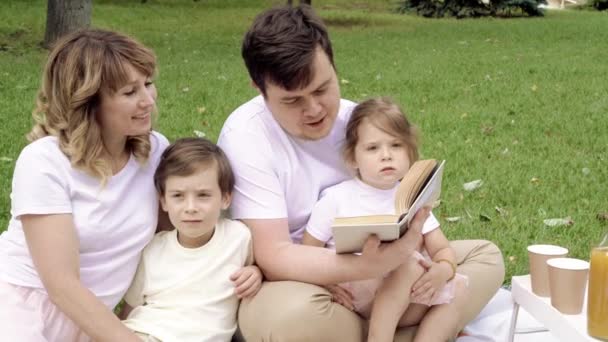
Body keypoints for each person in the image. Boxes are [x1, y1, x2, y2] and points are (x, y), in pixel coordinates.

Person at [218, 4, 505, 342]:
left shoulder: (360, 125)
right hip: (304, 283)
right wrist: (368, 267)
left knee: (485, 257)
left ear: (333, 65)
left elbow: (400, 200)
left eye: (322, 89)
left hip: (389, 268)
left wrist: (414, 260)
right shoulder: (246, 136)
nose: (314, 110)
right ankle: (421, 329)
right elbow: (275, 255)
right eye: (293, 101)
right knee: (291, 321)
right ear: (259, 88)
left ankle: (391, 326)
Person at [0, 29, 169, 341]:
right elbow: (61, 285)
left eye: (147, 84)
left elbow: (179, 236)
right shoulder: (44, 161)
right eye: (130, 92)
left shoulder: (156, 151)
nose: (148, 101)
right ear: (89, 102)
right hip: (25, 313)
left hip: (94, 321)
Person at [301, 97, 469, 341]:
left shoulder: (411, 197)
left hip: (404, 298)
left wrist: (443, 270)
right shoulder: (336, 199)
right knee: (408, 261)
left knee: (459, 289)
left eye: (396, 145)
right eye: (372, 148)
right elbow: (308, 252)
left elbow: (442, 249)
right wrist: (327, 285)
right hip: (357, 292)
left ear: (410, 153)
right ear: (352, 158)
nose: (386, 156)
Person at [119, 137, 262, 342]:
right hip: (143, 333)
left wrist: (255, 272)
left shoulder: (238, 237)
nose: (191, 207)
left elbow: (264, 269)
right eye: (178, 196)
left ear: (225, 198)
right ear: (163, 201)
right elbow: (131, 308)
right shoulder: (153, 249)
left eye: (203, 195)